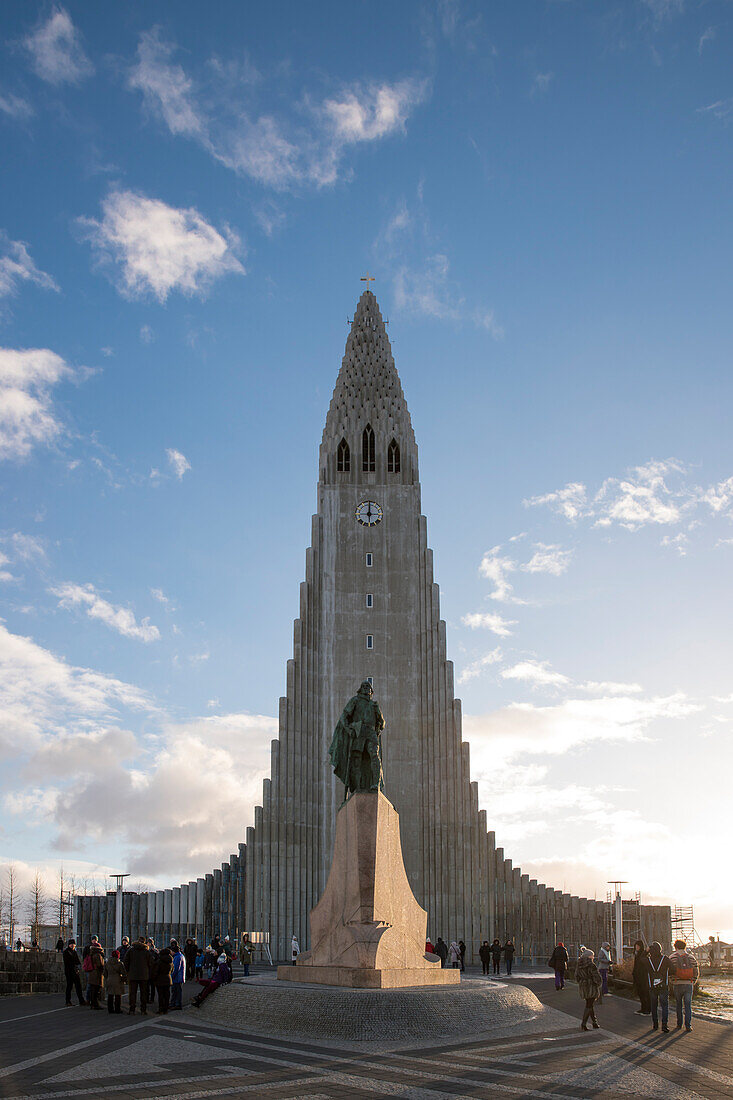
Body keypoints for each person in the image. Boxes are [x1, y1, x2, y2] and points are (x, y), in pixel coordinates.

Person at [669, 938, 699, 1032]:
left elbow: (669, 971)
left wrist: (672, 981)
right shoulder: (691, 957)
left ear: (676, 947)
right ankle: (688, 1025)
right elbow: (696, 971)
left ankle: (679, 1024)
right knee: (688, 1005)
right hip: (688, 984)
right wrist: (693, 981)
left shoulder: (672, 957)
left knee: (678, 1004)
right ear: (685, 947)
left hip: (677, 984)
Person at [643, 941, 670, 1032]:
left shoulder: (648, 960)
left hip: (652, 986)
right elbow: (673, 969)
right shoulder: (665, 959)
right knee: (664, 1006)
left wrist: (646, 951)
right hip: (663, 986)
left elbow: (640, 959)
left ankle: (655, 1025)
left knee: (654, 1006)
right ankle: (664, 1025)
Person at [577, 948, 602, 1031]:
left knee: (590, 1003)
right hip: (591, 986)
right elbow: (596, 977)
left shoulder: (579, 964)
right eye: (592, 955)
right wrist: (598, 983)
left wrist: (582, 981)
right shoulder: (591, 965)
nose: (593, 957)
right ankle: (583, 1024)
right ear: (589, 956)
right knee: (589, 1005)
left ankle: (595, 1023)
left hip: (584, 986)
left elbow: (576, 976)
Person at [125, 935, 151, 1015]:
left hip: (133, 975)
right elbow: (151, 963)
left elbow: (126, 961)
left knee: (132, 993)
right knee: (143, 993)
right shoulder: (146, 951)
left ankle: (132, 1009)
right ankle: (143, 1010)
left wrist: (128, 971)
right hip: (144, 975)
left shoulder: (131, 950)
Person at [62, 939, 85, 1006]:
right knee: (69, 986)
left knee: (78, 986)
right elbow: (68, 962)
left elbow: (77, 961)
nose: (72, 946)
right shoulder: (66, 952)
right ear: (69, 945)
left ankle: (81, 1000)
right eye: (71, 944)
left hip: (75, 971)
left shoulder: (74, 952)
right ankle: (68, 1001)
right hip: (69, 971)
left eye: (73, 944)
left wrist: (78, 966)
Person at [104, 950, 126, 1014]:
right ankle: (117, 1009)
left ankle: (110, 1009)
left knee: (110, 995)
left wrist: (107, 978)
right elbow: (123, 973)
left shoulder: (107, 963)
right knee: (118, 995)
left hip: (109, 979)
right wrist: (124, 979)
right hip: (117, 980)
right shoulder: (119, 964)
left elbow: (105, 973)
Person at [632, 940, 651, 1015]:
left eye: (638, 946)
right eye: (636, 946)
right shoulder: (637, 954)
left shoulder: (642, 955)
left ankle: (647, 1009)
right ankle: (643, 1008)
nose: (637, 947)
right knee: (640, 993)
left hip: (643, 977)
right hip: (638, 976)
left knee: (645, 993)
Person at [153, 945, 173, 1014]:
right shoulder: (170, 961)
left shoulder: (159, 961)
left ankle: (161, 1008)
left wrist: (154, 978)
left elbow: (156, 971)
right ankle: (166, 1009)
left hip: (160, 979)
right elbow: (172, 970)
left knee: (160, 995)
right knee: (167, 995)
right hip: (168, 979)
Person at [87, 942, 105, 1010]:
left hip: (91, 973)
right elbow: (100, 965)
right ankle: (95, 1004)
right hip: (97, 974)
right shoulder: (98, 955)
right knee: (96, 990)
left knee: (92, 990)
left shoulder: (91, 954)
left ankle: (92, 1004)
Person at [147, 939, 159, 1006]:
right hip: (148, 971)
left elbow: (157, 961)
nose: (148, 944)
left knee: (152, 986)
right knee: (147, 986)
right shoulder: (147, 951)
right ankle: (148, 998)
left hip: (152, 971)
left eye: (149, 943)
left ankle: (151, 998)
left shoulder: (154, 951)